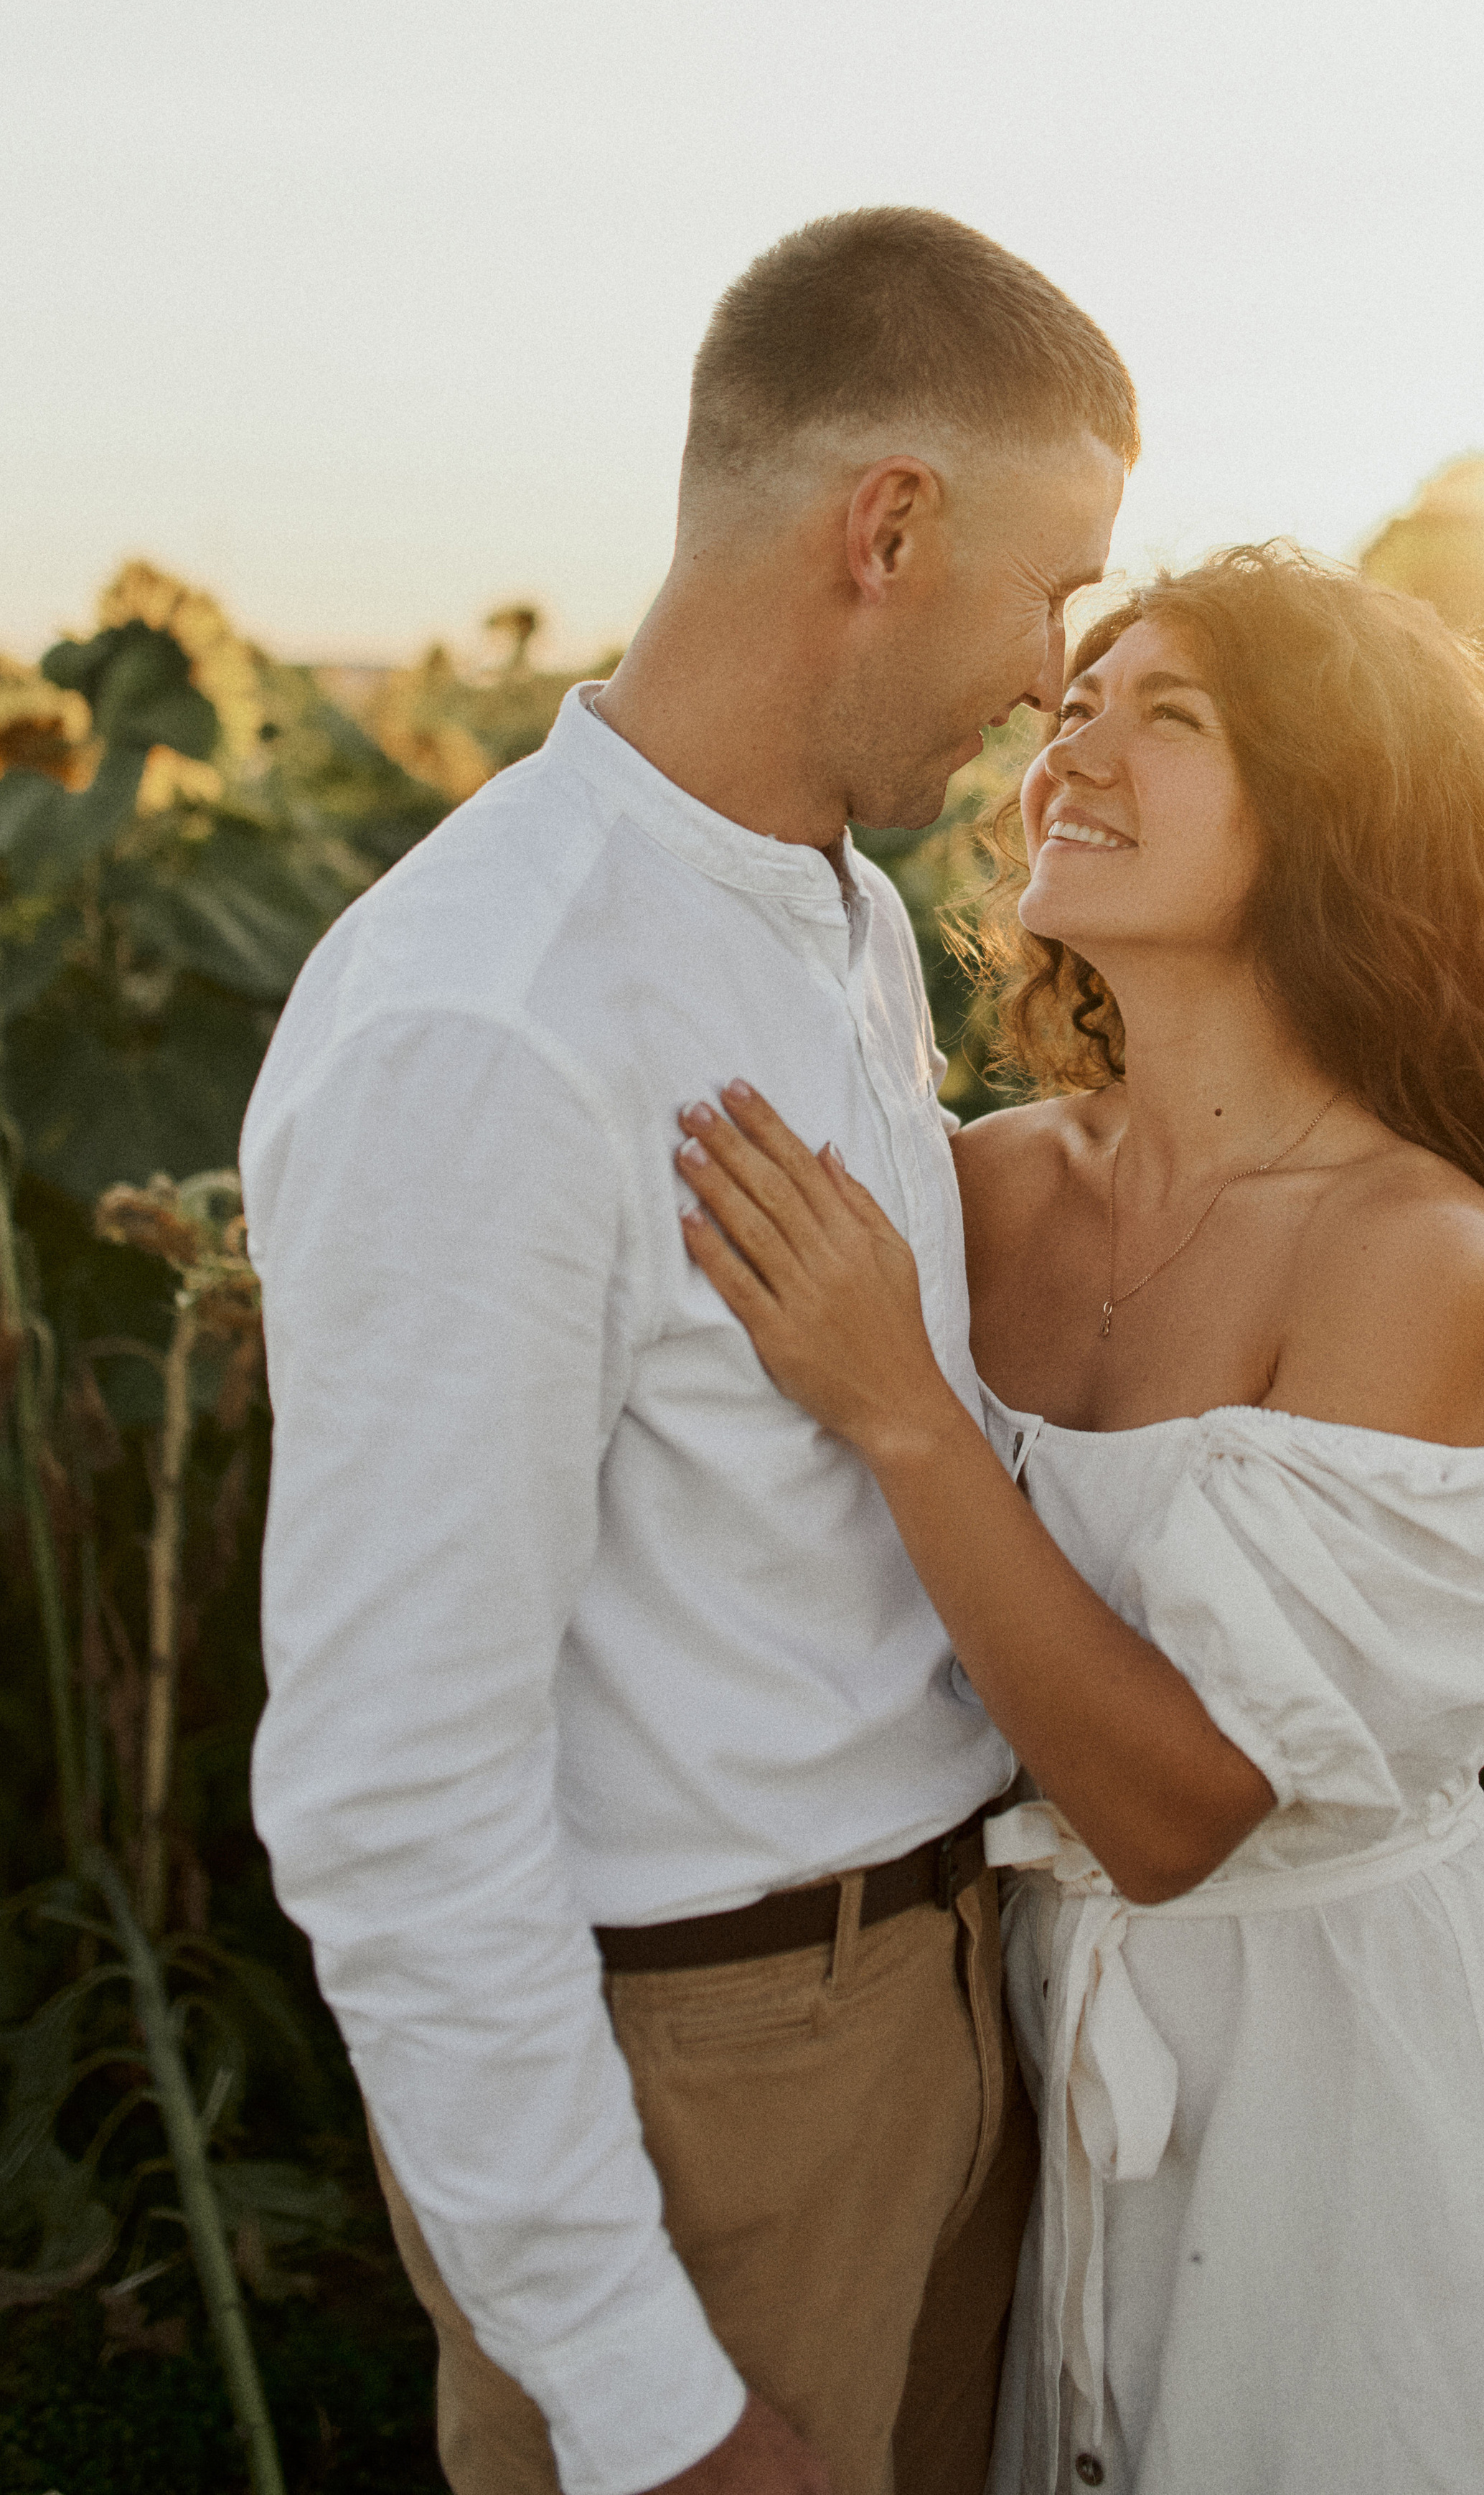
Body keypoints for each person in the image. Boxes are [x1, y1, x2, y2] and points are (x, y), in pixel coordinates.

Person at [243, 207, 1136, 2495]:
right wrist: (646, 2404)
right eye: (1055, 592)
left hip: (935, 2019)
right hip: (706, 2094)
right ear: (890, 526)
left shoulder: (826, 905)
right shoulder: (494, 1018)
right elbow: (392, 1791)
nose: (1057, 677)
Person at [670, 543, 1484, 2494]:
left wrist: (907, 1414)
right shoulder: (981, 1190)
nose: (1071, 755)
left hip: (1336, 2069)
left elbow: (1181, 1813)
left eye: (1167, 717)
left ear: (1335, 822)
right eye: (1076, 706)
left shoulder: (1408, 1247)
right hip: (1031, 2025)